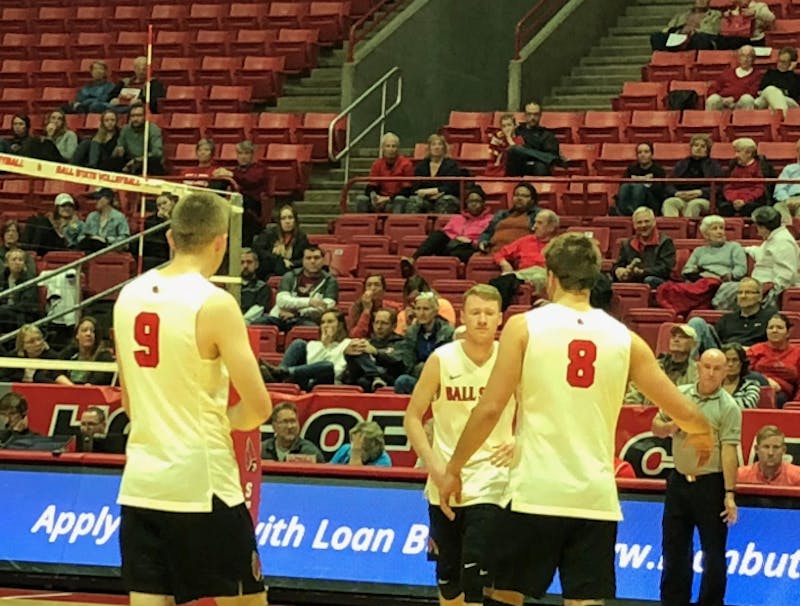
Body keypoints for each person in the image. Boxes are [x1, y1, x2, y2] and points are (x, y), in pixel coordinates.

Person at [435, 232, 714, 606]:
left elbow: (489, 409)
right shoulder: (625, 339)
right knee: (586, 601)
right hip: (594, 497)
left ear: (550, 276)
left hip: (534, 492)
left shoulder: (525, 326)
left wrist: (454, 467)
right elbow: (684, 409)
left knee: (503, 595)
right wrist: (701, 433)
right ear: (594, 276)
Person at [113, 191, 271, 606]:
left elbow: (129, 404)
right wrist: (222, 421)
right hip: (203, 485)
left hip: (142, 485)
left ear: (170, 237)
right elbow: (258, 407)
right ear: (221, 241)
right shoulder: (214, 302)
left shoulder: (127, 296)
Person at [404, 284, 514, 606]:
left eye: (489, 313)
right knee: (449, 579)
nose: (482, 320)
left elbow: (539, 412)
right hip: (445, 479)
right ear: (462, 316)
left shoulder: (511, 361)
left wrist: (519, 441)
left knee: (476, 571)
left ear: (500, 319)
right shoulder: (442, 359)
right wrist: (435, 469)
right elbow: (412, 418)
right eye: (476, 312)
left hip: (494, 477)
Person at [653, 349, 741, 606]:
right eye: (707, 366)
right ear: (698, 367)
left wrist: (729, 494)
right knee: (673, 551)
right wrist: (671, 427)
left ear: (726, 372)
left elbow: (729, 450)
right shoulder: (679, 395)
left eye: (717, 368)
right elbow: (655, 427)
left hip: (710, 485)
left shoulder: (729, 407)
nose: (711, 373)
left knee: (713, 554)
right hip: (678, 481)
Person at [655, 215, 747, 316]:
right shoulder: (699, 251)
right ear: (706, 234)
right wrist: (695, 274)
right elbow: (687, 269)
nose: (720, 231)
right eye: (715, 229)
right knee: (666, 288)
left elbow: (741, 269)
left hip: (722, 282)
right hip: (701, 281)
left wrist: (729, 275)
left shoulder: (734, 247)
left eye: (721, 228)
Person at [713, 206, 800, 310]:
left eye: (757, 226)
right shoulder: (773, 237)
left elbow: (786, 275)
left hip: (769, 291)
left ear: (763, 227)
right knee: (722, 288)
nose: (756, 230)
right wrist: (741, 249)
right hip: (757, 283)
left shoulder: (784, 242)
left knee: (727, 290)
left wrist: (765, 289)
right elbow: (762, 254)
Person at [400, 185, 493, 276]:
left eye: (477, 201)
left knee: (462, 252)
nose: (473, 204)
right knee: (437, 235)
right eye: (470, 201)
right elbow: (446, 233)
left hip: (469, 248)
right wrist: (457, 238)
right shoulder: (458, 218)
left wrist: (471, 242)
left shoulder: (490, 220)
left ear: (483, 203)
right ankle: (412, 260)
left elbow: (488, 240)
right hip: (452, 244)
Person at [264, 309, 354, 391]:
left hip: (328, 384)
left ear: (340, 325)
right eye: (322, 322)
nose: (325, 325)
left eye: (330, 322)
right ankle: (280, 372)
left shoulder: (347, 344)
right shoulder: (313, 345)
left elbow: (337, 371)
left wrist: (325, 346)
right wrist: (323, 345)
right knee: (299, 343)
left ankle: (282, 373)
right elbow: (310, 366)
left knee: (328, 366)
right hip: (306, 381)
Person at [256, 244, 339, 331]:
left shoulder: (330, 281)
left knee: (313, 329)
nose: (312, 261)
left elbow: (327, 306)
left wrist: (298, 313)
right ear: (303, 260)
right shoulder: (290, 276)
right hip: (280, 317)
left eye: (316, 258)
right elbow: (281, 301)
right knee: (257, 324)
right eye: (308, 258)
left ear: (323, 260)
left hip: (306, 320)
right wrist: (310, 302)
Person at [688, 276, 777, 352]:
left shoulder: (770, 317)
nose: (743, 296)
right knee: (696, 322)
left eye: (748, 292)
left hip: (753, 354)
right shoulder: (727, 318)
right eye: (740, 293)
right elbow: (715, 343)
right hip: (724, 356)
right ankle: (689, 366)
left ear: (760, 297)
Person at [394, 291, 455, 394]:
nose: (421, 313)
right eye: (418, 309)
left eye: (426, 309)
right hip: (419, 378)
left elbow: (446, 363)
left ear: (435, 311)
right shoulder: (411, 332)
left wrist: (427, 367)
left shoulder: (447, 331)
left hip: (441, 379)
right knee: (402, 381)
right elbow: (408, 364)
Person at [625, 324, 699, 405]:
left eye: (682, 337)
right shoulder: (650, 367)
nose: (676, 340)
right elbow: (633, 397)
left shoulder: (697, 372)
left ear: (694, 344)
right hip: (650, 414)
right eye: (674, 336)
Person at [344, 307, 407, 391]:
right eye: (376, 323)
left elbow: (397, 361)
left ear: (394, 326)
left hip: (390, 378)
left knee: (376, 373)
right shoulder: (368, 342)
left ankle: (375, 375)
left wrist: (376, 352)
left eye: (384, 323)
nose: (379, 327)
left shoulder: (401, 342)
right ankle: (375, 376)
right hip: (367, 380)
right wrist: (347, 355)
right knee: (358, 350)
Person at [612, 206, 676, 288]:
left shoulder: (665, 242)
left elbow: (665, 269)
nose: (643, 225)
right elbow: (618, 264)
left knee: (649, 280)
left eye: (647, 221)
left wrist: (642, 272)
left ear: (654, 222)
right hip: (633, 279)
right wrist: (618, 270)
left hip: (656, 280)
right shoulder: (627, 244)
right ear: (634, 225)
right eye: (639, 222)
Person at [661, 135, 724, 218]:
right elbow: (669, 183)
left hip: (703, 199)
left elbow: (718, 186)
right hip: (682, 197)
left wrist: (700, 192)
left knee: (693, 205)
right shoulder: (682, 163)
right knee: (669, 202)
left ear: (707, 150)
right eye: (696, 145)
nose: (698, 148)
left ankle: (687, 229)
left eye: (702, 146)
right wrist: (676, 193)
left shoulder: (714, 165)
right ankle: (672, 228)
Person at [746, 312, 800, 407]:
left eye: (779, 328)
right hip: (756, 390)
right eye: (771, 328)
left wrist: (795, 404)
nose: (774, 331)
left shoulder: (797, 353)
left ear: (788, 332)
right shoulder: (756, 350)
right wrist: (767, 382)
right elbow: (744, 373)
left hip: (783, 396)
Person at [355, 132, 413, 213]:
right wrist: (375, 197)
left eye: (393, 146)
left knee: (400, 199)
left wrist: (387, 199)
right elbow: (371, 186)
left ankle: (395, 224)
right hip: (380, 198)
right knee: (361, 199)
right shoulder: (377, 164)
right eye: (388, 146)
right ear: (383, 148)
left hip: (396, 199)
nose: (391, 149)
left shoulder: (406, 164)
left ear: (398, 148)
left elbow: (407, 190)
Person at [405, 134, 463, 214]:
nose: (437, 147)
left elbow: (450, 187)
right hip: (425, 198)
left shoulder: (452, 165)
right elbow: (416, 187)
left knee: (446, 200)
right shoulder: (421, 166)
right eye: (433, 144)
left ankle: (441, 226)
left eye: (440, 144)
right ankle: (411, 225)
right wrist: (428, 195)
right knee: (414, 200)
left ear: (444, 148)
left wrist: (431, 191)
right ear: (429, 148)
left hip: (445, 196)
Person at [476, 182, 541, 254]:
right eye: (516, 195)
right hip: (494, 251)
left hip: (520, 254)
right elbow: (487, 233)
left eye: (524, 196)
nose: (519, 198)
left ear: (532, 200)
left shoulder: (539, 215)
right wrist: (482, 242)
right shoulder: (501, 214)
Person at [251, 204, 310, 280]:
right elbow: (257, 250)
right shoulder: (269, 234)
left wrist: (292, 263)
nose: (287, 221)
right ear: (279, 221)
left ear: (295, 220)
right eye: (283, 218)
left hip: (291, 269)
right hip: (268, 270)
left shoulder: (301, 237)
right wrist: (279, 260)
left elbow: (305, 257)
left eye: (290, 218)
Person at [718, 137, 772, 218]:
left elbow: (760, 188)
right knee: (724, 208)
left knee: (751, 208)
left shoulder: (760, 167)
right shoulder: (733, 166)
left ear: (749, 153)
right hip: (733, 200)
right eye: (736, 152)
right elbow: (728, 186)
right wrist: (733, 200)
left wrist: (744, 200)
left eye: (738, 152)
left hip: (752, 200)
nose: (736, 155)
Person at [0, 324, 73, 385]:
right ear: (22, 345)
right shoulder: (13, 358)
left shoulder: (54, 358)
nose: (37, 343)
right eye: (31, 341)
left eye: (39, 339)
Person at [505, 101, 561, 177]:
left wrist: (522, 150)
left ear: (540, 115)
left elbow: (552, 158)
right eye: (529, 114)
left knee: (541, 166)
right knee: (513, 151)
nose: (532, 117)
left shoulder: (547, 135)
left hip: (539, 168)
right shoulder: (516, 131)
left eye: (535, 114)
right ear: (524, 115)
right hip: (519, 167)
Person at [56, 316, 116, 386]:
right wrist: (73, 388)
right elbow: (56, 373)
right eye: (84, 330)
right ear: (77, 335)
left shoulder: (104, 356)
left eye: (92, 331)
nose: (88, 334)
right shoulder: (69, 352)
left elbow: (96, 381)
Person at [614, 142, 666, 216]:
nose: (643, 155)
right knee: (625, 187)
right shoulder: (631, 168)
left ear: (652, 154)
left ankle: (636, 214)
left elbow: (660, 191)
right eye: (639, 152)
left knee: (639, 187)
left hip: (651, 202)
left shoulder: (658, 170)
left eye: (646, 152)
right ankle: (623, 213)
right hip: (631, 199)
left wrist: (642, 183)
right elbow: (622, 185)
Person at [113, 103, 165, 175]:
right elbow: (120, 146)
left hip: (146, 161)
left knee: (153, 162)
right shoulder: (125, 129)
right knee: (113, 162)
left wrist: (138, 160)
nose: (135, 119)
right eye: (133, 116)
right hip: (130, 161)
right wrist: (118, 151)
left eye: (139, 115)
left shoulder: (153, 129)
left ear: (145, 117)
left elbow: (157, 153)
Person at [650, 0, 721, 52]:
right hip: (678, 37)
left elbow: (713, 30)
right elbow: (667, 29)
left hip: (695, 38)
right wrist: (679, 31)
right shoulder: (682, 15)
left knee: (700, 39)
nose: (701, 1)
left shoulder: (715, 14)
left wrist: (693, 31)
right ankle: (662, 61)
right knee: (657, 36)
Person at [347, 274, 403, 339]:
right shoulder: (355, 308)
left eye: (377, 285)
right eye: (369, 285)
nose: (372, 288)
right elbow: (355, 336)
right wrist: (366, 310)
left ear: (383, 290)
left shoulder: (393, 307)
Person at [705, 46, 759, 111]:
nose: (745, 59)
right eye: (743, 56)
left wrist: (734, 98)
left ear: (753, 59)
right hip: (723, 102)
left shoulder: (756, 75)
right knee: (713, 99)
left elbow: (752, 92)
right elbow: (714, 88)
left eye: (749, 56)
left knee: (747, 99)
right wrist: (723, 99)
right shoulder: (728, 72)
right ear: (739, 58)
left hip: (740, 104)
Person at [79, 188, 130, 252]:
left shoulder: (119, 217)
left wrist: (106, 240)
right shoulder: (91, 216)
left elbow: (125, 241)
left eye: (98, 198)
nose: (95, 201)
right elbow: (81, 236)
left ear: (107, 199)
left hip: (112, 255)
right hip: (91, 253)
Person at [754, 46, 800, 117]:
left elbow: (794, 95)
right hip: (767, 101)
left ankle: (781, 118)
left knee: (772, 97)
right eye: (779, 61)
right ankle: (781, 120)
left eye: (784, 62)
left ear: (791, 63)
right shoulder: (770, 73)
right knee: (769, 92)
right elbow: (761, 91)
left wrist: (789, 72)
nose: (780, 64)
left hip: (789, 102)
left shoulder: (796, 78)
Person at [721, 342, 763, 409]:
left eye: (735, 360)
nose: (730, 364)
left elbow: (747, 405)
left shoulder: (751, 385)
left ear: (742, 363)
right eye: (727, 360)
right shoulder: (713, 386)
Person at [772, 138, 800, 225]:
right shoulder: (789, 169)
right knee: (777, 208)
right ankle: (787, 233)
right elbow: (779, 189)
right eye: (799, 151)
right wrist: (787, 200)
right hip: (787, 200)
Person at [240, 249, 271, 324]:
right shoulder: (229, 285)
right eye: (242, 262)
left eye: (249, 262)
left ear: (256, 264)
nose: (245, 266)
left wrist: (240, 323)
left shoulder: (262, 287)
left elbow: (258, 310)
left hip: (249, 324)